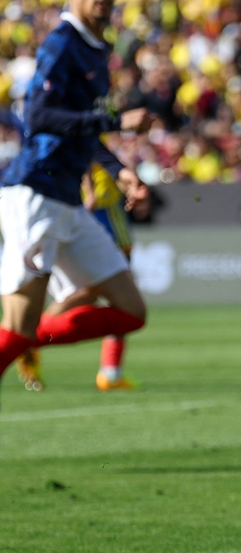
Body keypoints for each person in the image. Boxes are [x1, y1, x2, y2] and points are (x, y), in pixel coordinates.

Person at [0, 0, 152, 400]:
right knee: (18, 326)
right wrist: (115, 122)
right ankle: (24, 339)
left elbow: (81, 130)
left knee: (131, 310)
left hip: (67, 199)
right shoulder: (62, 44)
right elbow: (39, 117)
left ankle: (28, 340)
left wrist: (118, 169)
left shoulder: (96, 50)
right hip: (36, 193)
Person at [15, 163, 145, 392]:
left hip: (81, 210)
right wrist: (91, 192)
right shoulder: (93, 141)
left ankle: (29, 338)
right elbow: (86, 156)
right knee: (116, 295)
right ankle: (29, 338)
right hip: (97, 213)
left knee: (89, 293)